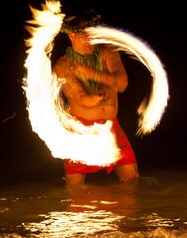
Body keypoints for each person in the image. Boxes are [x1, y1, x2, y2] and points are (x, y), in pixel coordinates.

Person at [53, 12, 140, 185]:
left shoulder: (108, 53)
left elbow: (122, 83)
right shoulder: (63, 66)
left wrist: (91, 73)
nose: (91, 39)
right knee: (75, 189)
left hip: (111, 126)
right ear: (72, 35)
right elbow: (83, 100)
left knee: (132, 181)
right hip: (80, 132)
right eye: (85, 35)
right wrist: (102, 93)